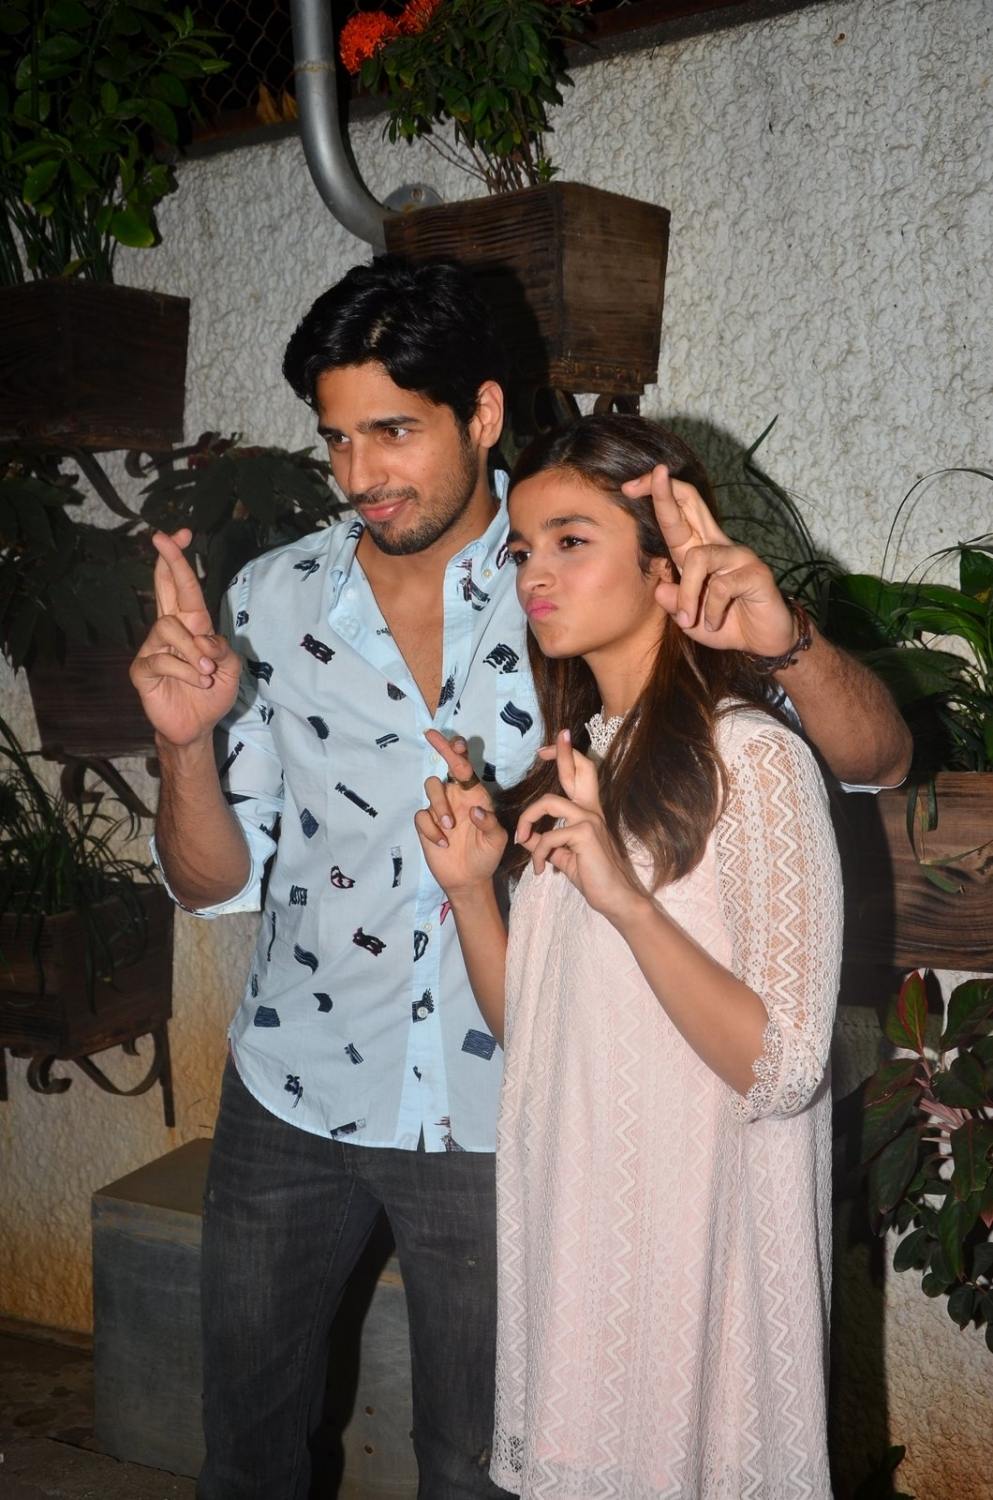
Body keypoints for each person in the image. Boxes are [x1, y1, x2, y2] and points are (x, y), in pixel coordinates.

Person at [129, 256, 910, 1500]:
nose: (361, 474)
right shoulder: (273, 601)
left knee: (483, 1466)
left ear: (482, 412)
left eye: (395, 430)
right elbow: (215, 883)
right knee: (247, 1452)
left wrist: (790, 643)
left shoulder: (588, 577)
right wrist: (182, 745)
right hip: (295, 1086)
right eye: (337, 439)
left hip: (510, 1109)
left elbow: (870, 762)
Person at [415, 413, 845, 1499]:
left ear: (666, 567)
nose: (534, 575)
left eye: (571, 541)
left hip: (693, 1263)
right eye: (522, 548)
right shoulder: (578, 764)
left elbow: (784, 1068)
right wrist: (471, 891)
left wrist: (625, 902)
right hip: (582, 1243)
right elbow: (540, 1038)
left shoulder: (754, 760)